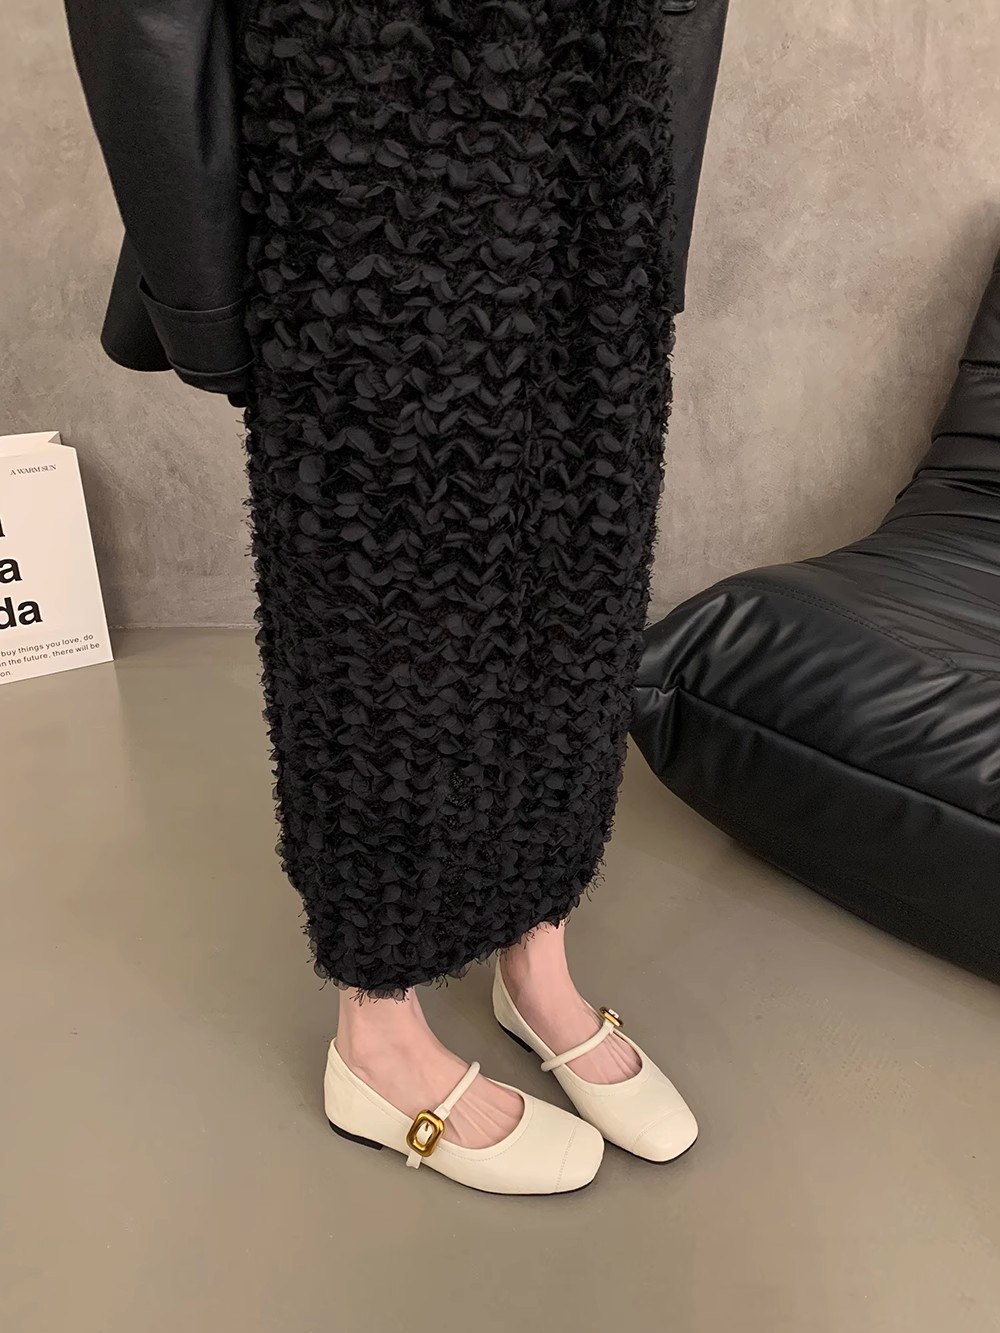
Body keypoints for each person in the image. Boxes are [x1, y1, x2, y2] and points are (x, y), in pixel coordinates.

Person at [64, 0, 729, 1195]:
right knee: (380, 622)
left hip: (600, 141)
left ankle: (536, 957)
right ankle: (375, 1031)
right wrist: (205, 290)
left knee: (580, 586)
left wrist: (652, 230)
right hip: (362, 139)